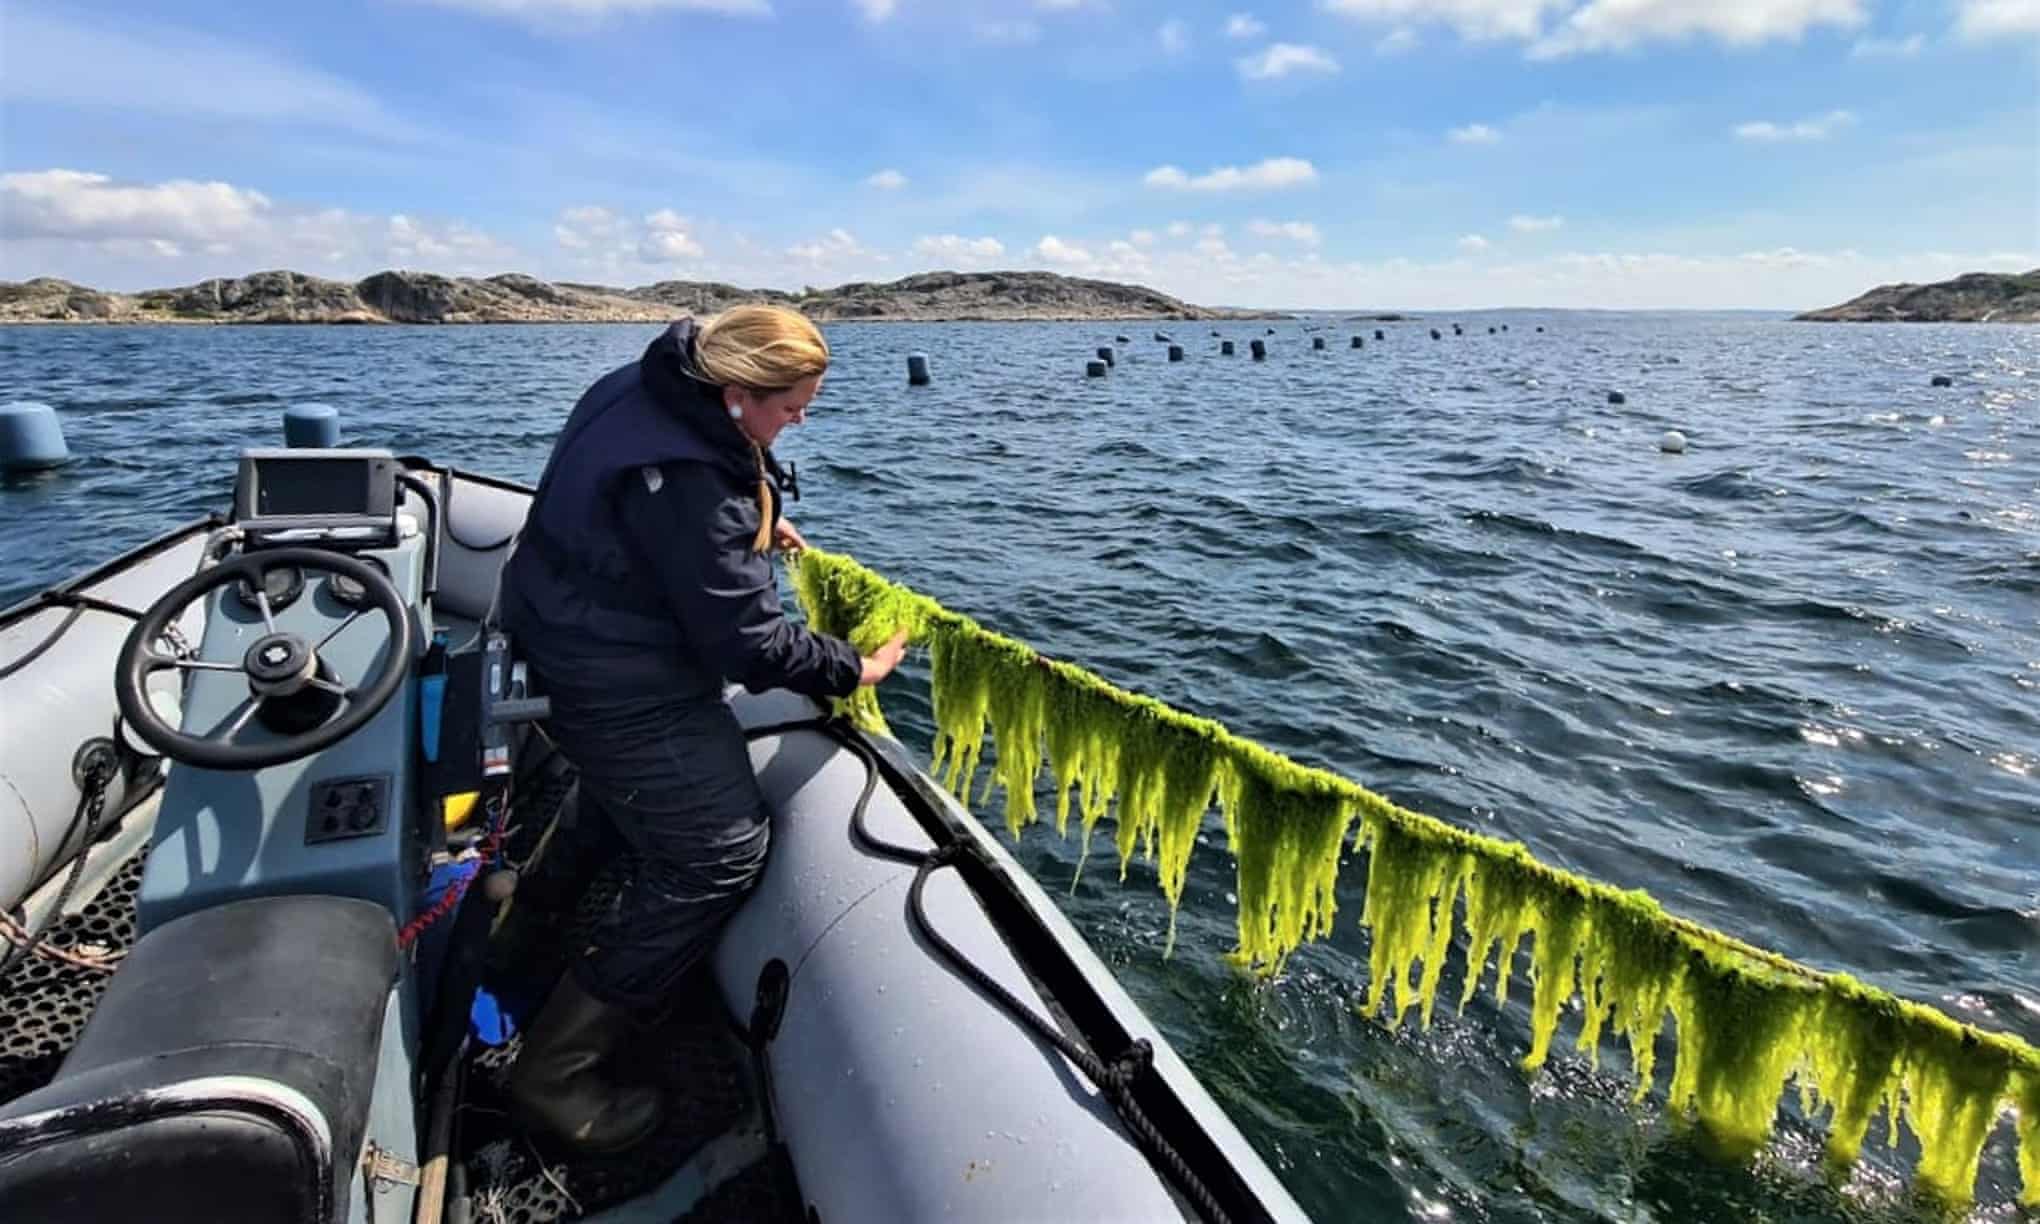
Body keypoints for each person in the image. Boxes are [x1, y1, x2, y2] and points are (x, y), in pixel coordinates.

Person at [494, 305, 909, 1153]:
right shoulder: (691, 477)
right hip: (613, 673)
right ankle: (556, 1073)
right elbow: (746, 641)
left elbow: (672, 522)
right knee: (719, 852)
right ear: (734, 394)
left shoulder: (649, 382)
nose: (800, 422)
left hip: (560, 631)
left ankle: (517, 926)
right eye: (790, 408)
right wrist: (850, 668)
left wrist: (757, 521)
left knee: (627, 790)